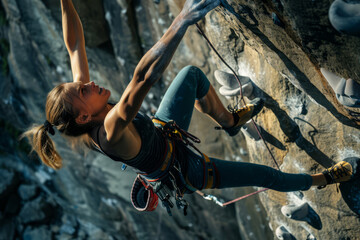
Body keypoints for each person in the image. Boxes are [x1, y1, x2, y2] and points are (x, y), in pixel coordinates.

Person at [24, 0, 355, 212]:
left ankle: (229, 121)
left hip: (161, 133)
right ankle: (324, 179)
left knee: (191, 75)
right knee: (267, 176)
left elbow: (74, 46)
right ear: (85, 115)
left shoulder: (84, 107)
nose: (87, 81)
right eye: (82, 89)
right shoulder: (108, 131)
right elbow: (141, 79)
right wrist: (180, 22)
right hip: (183, 170)